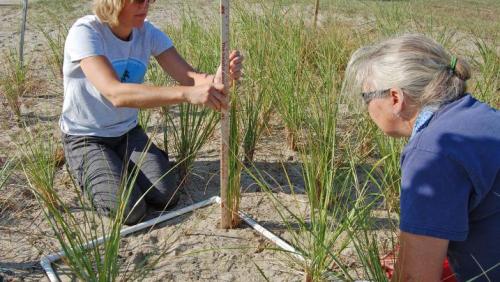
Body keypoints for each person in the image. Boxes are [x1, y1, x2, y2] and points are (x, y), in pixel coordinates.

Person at [60, 0, 243, 225]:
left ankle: (120, 166)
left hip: (128, 133)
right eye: (138, 0)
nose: (145, 6)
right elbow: (115, 93)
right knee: (130, 211)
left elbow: (189, 77)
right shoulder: (86, 32)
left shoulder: (148, 32)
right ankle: (89, 168)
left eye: (150, 0)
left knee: (166, 195)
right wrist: (185, 94)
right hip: (85, 138)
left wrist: (217, 79)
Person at [343, 34, 500, 281]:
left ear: (395, 98)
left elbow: (415, 278)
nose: (367, 109)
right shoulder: (484, 116)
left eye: (367, 98)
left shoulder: (431, 153)